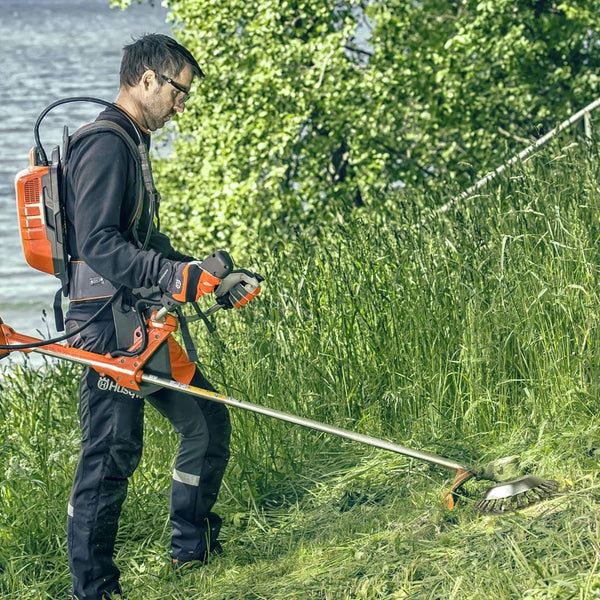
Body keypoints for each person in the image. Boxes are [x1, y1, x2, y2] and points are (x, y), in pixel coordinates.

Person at [63, 34, 260, 600]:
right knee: (111, 454)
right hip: (104, 326)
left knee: (206, 422)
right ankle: (93, 589)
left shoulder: (132, 142)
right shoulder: (105, 144)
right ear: (147, 79)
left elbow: (144, 242)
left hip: (140, 318)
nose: (181, 105)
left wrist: (206, 275)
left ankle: (190, 550)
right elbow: (100, 244)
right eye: (178, 91)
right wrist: (173, 277)